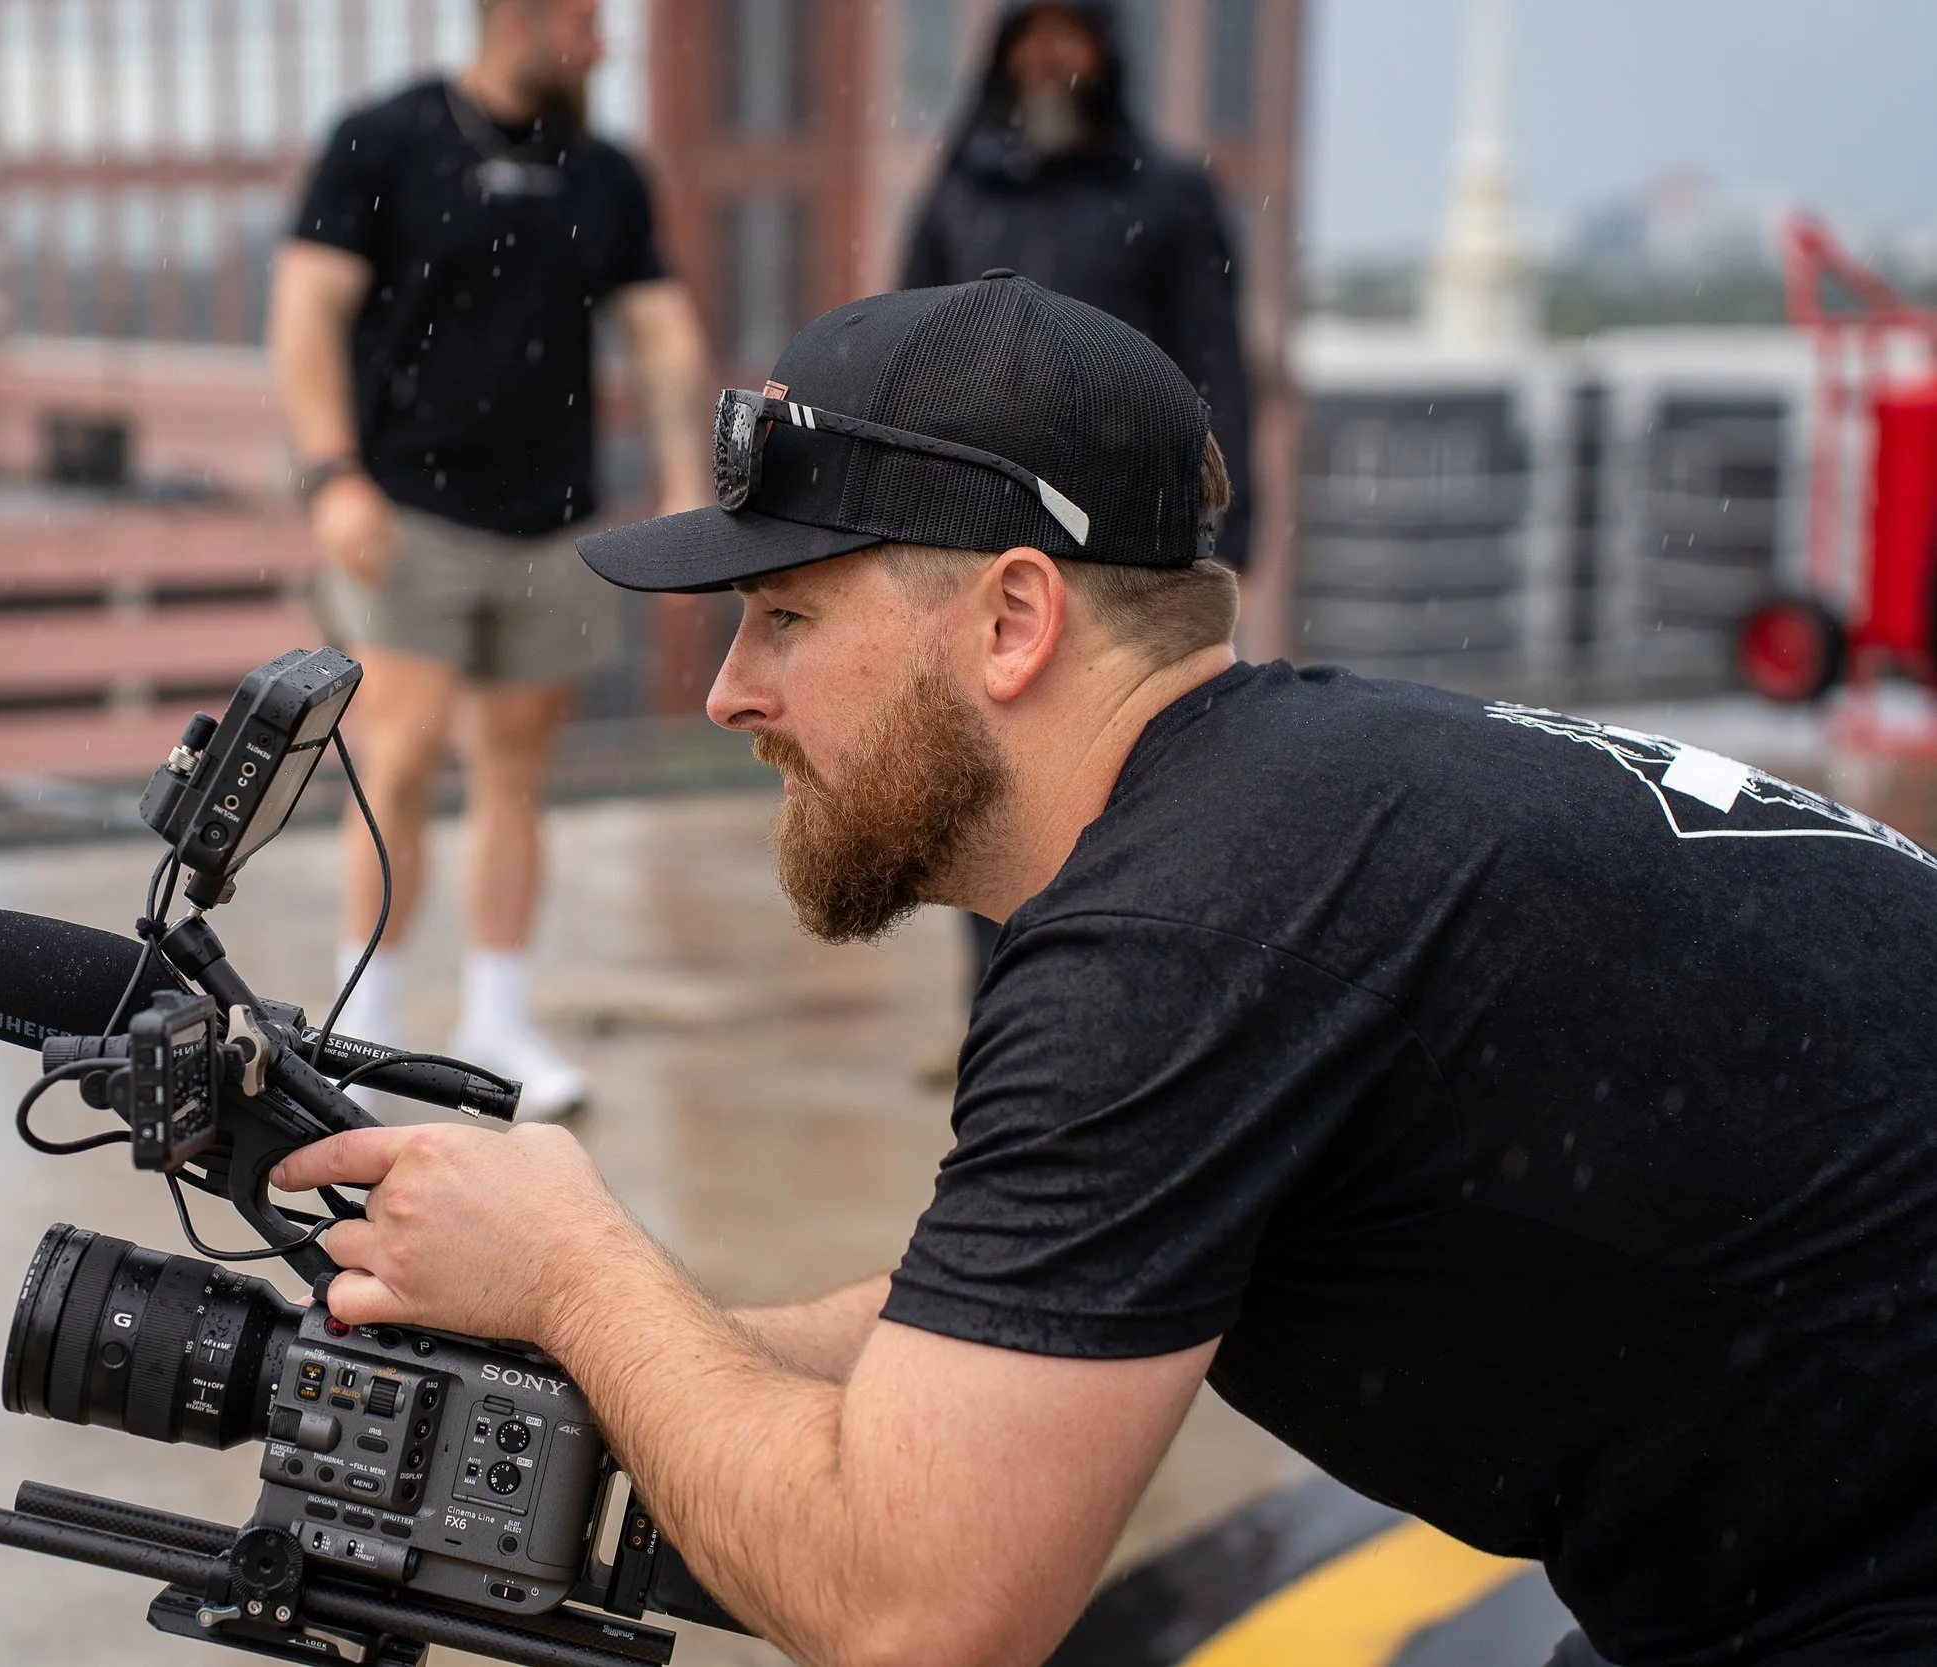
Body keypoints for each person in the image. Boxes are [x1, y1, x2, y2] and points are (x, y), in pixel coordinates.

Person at [272, 275, 1937, 1666]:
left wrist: (578, 1270)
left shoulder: (1190, 925)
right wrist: (637, 1349)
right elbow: (1026, 1302)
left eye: (779, 614)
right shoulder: (1280, 807)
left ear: (1012, 620)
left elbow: (916, 1609)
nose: (726, 693)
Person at [271, 0, 709, 1118]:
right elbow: (306, 311)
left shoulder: (604, 172)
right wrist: (330, 476)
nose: (600, 44)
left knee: (516, 775)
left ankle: (496, 1021)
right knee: (401, 760)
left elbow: (661, 328)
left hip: (553, 520)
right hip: (405, 511)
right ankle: (359, 1022)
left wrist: (684, 476)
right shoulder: (385, 137)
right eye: (582, 21)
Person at [902, 1, 1258, 994]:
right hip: (973, 525)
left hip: (1127, 534)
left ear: (1103, 52)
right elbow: (904, 342)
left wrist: (1237, 521)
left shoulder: (1172, 191)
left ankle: (1117, 986)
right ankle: (1005, 999)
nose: (1050, 56)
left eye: (1071, 34)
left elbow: (1215, 363)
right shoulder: (961, 188)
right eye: (1032, 35)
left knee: (1122, 761)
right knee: (983, 765)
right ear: (1005, 52)